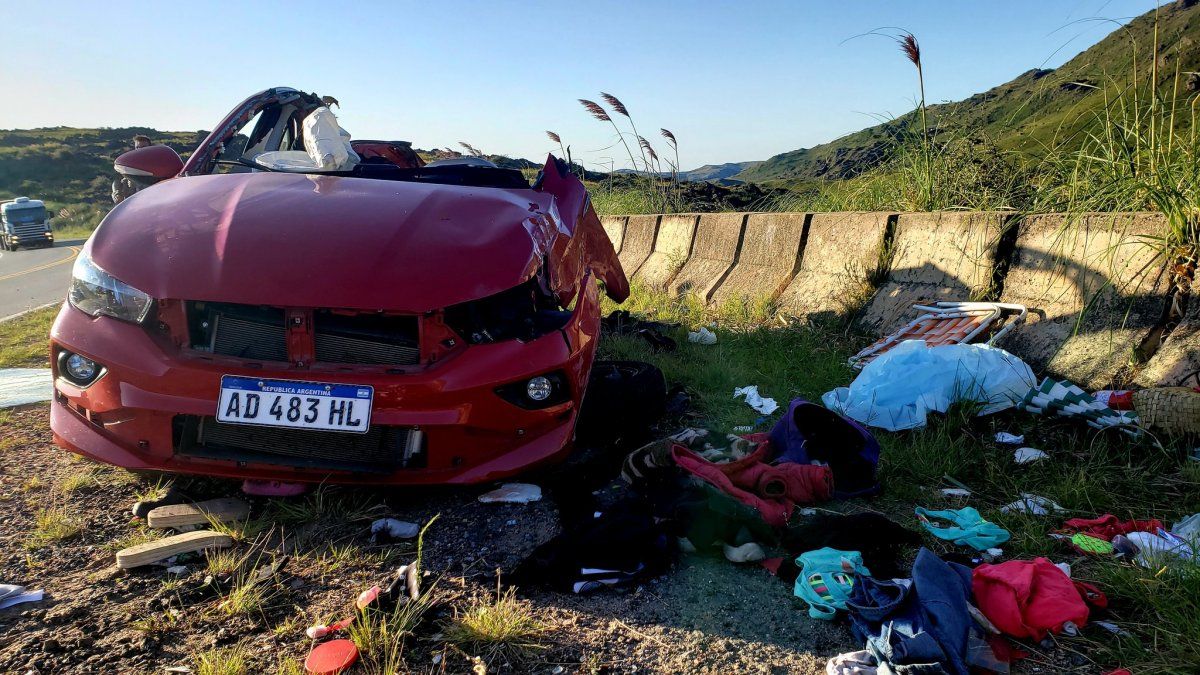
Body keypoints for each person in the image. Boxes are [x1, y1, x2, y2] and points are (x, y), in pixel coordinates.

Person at [112, 135, 155, 204]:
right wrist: (116, 192)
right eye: (137, 147)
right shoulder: (130, 164)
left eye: (143, 147)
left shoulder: (156, 163)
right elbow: (117, 181)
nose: (140, 150)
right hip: (132, 204)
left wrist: (137, 183)